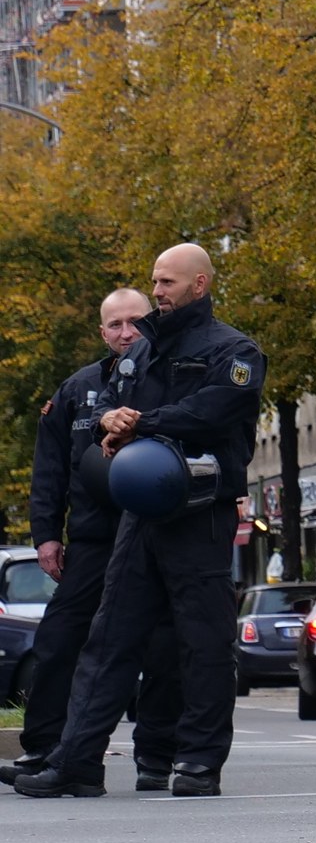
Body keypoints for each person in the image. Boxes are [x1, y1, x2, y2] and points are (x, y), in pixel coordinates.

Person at [20, 244, 264, 799]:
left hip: (200, 514)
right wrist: (111, 415)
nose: (157, 291)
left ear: (199, 284)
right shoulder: (142, 348)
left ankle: (198, 764)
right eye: (155, 280)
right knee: (108, 641)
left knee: (202, 646)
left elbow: (211, 412)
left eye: (167, 282)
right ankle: (77, 762)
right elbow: (108, 400)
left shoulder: (235, 349)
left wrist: (141, 423)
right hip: (139, 515)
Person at [14, 288, 182, 787]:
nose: (126, 332)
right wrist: (46, 535)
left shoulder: (171, 375)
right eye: (115, 325)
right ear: (102, 331)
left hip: (155, 535)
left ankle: (155, 756)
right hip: (93, 540)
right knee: (60, 639)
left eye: (135, 321)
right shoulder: (76, 389)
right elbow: (49, 470)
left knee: (161, 648)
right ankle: (45, 748)